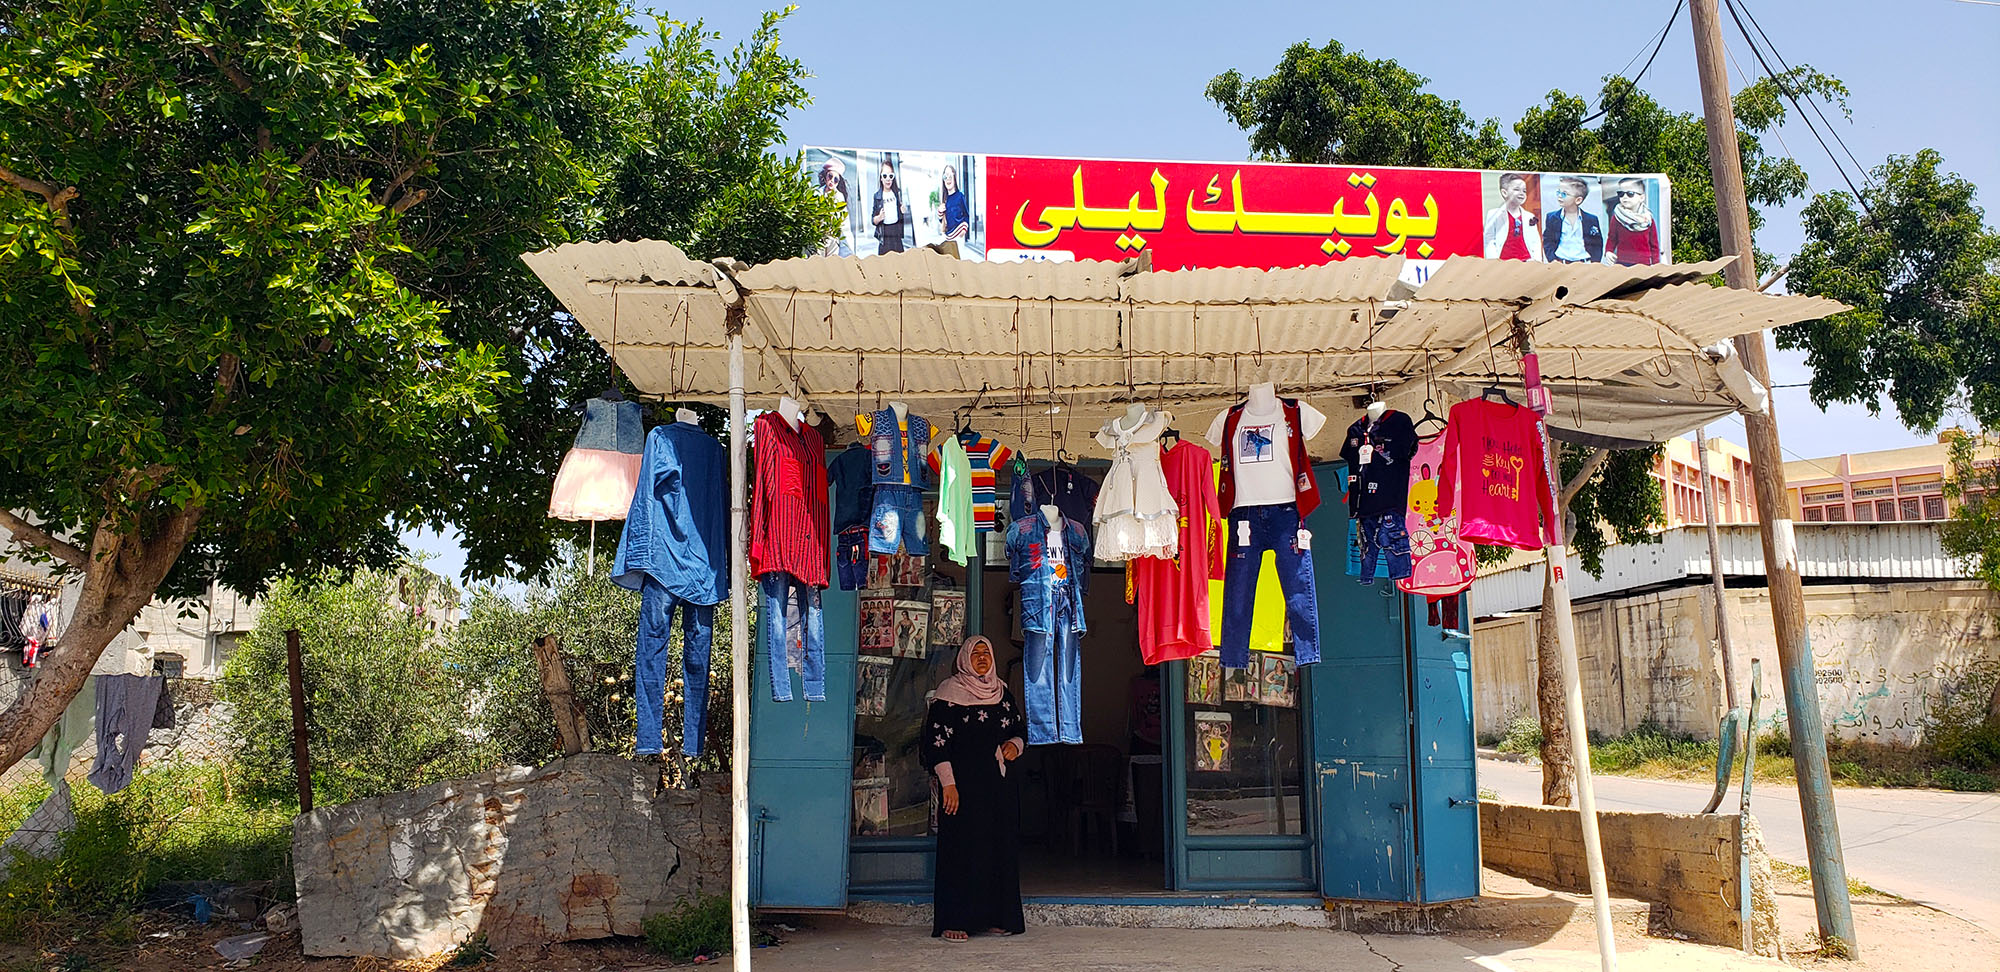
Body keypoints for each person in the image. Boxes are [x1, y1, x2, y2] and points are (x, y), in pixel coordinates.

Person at [921, 635, 1026, 941]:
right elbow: (935, 745)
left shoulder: (1001, 694)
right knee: (962, 852)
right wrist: (948, 786)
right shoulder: (948, 695)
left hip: (998, 788)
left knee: (997, 850)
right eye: (975, 653)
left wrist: (1013, 745)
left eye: (986, 653)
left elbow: (1019, 730)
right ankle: (956, 920)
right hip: (961, 789)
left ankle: (996, 917)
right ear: (964, 659)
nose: (982, 658)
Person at [1482, 172, 1543, 261]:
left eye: (1524, 191)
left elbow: (1535, 241)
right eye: (1517, 189)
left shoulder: (1529, 216)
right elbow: (1489, 239)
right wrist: (1494, 261)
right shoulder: (1494, 214)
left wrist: (1537, 261)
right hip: (1503, 262)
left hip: (1526, 261)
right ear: (1504, 192)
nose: (1521, 193)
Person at [1542, 176, 1604, 263]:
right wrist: (1552, 260)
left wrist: (1595, 263)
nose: (1559, 196)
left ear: (1578, 200)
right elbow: (1548, 241)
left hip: (1585, 263)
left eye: (1564, 194)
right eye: (1558, 192)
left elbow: (1597, 244)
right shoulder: (1552, 217)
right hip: (1561, 263)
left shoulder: (1591, 219)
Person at [1605, 177, 1661, 265]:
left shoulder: (1648, 219)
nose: (1625, 197)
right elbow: (1612, 238)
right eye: (1621, 194)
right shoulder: (1617, 217)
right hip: (1622, 263)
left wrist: (1656, 264)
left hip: (1644, 264)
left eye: (1630, 194)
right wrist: (1608, 251)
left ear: (1641, 197)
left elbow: (1654, 245)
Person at [871, 160, 910, 254]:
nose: (888, 179)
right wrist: (879, 217)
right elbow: (873, 220)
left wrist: (902, 210)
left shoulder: (897, 193)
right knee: (885, 265)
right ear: (881, 178)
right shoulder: (877, 196)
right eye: (885, 176)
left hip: (896, 233)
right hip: (885, 235)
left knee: (900, 262)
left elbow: (902, 210)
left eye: (891, 176)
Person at [816, 158, 852, 257]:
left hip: (832, 236)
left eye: (836, 180)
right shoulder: (817, 193)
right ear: (825, 176)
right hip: (818, 235)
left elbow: (844, 222)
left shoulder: (839, 197)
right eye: (830, 176)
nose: (832, 181)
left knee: (832, 263)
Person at [938, 164, 970, 242]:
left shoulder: (960, 196)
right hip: (948, 237)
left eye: (950, 176)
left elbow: (966, 215)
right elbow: (942, 221)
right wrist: (939, 213)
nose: (948, 179)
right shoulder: (945, 199)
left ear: (954, 178)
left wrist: (964, 229)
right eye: (945, 176)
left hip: (959, 237)